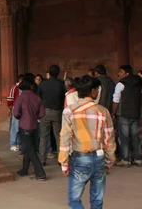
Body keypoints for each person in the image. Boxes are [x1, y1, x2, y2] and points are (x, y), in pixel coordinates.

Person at [59, 75, 116, 209]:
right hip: (99, 158)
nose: (98, 92)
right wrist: (109, 161)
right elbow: (109, 139)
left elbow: (65, 138)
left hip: (80, 159)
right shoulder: (103, 111)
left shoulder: (69, 111)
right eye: (97, 89)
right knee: (97, 200)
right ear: (92, 91)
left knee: (74, 200)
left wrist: (64, 162)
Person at [14, 74, 46, 181]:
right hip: (34, 125)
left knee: (30, 150)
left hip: (24, 125)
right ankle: (24, 170)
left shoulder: (21, 97)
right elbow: (42, 114)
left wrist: (21, 116)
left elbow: (15, 113)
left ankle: (40, 173)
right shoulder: (37, 97)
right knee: (29, 147)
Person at [112, 65, 142, 167]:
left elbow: (116, 100)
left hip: (124, 114)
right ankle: (138, 159)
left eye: (121, 72)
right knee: (135, 136)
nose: (119, 74)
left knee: (124, 137)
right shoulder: (138, 83)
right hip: (135, 113)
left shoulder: (121, 84)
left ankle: (125, 160)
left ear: (127, 73)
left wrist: (113, 112)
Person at [38, 65, 66, 164]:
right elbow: (64, 98)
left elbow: (39, 98)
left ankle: (42, 159)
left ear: (49, 73)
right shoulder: (61, 84)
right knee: (58, 135)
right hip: (57, 111)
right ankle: (61, 159)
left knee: (44, 136)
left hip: (45, 111)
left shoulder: (43, 84)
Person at [7, 74, 24, 151]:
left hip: (23, 108)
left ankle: (19, 143)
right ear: (19, 80)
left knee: (21, 127)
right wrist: (10, 108)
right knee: (15, 126)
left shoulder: (24, 88)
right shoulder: (14, 88)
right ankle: (13, 143)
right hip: (16, 108)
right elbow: (10, 99)